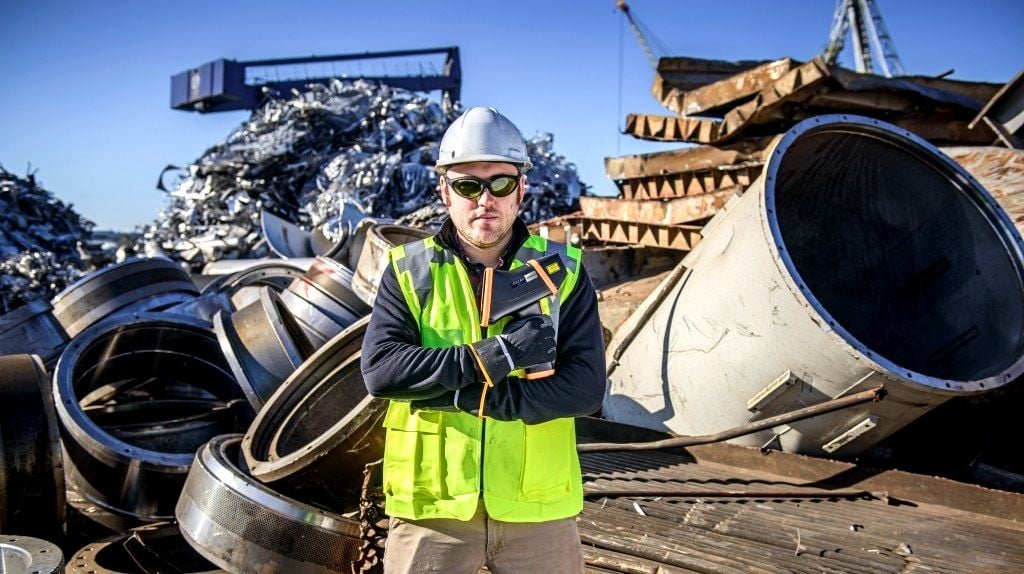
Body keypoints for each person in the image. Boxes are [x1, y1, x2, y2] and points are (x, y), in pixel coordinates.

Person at [360, 106, 606, 573]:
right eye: (468, 185)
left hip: (538, 510)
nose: (484, 199)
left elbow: (585, 390)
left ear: (522, 189)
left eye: (500, 183)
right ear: (444, 192)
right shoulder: (407, 269)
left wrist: (474, 399)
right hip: (432, 510)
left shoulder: (566, 272)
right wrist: (497, 355)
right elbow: (382, 372)